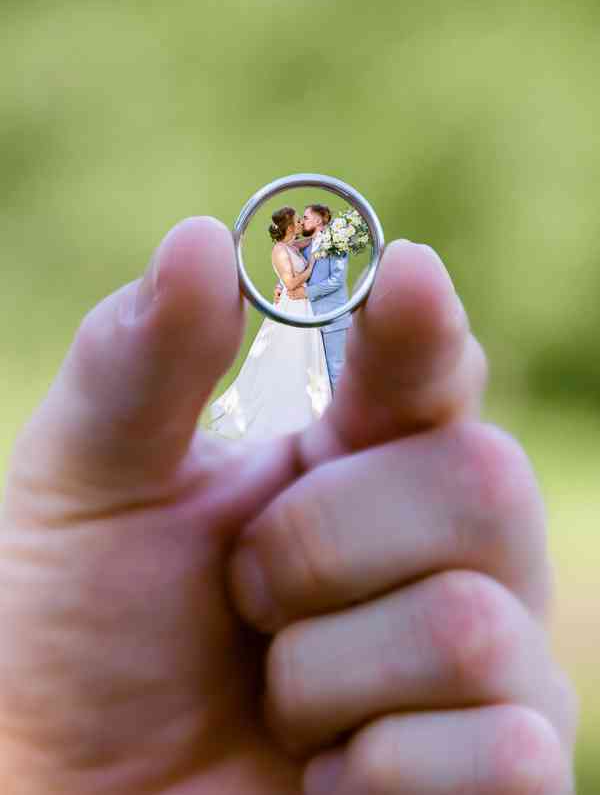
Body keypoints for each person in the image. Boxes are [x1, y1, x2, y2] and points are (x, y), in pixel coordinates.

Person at [0, 216, 577, 795]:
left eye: (316, 223)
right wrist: (39, 765)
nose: (310, 228)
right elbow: (297, 284)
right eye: (305, 223)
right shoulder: (285, 258)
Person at [206, 206, 332, 439]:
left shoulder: (292, 246)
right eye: (297, 221)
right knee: (287, 354)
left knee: (304, 354)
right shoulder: (279, 251)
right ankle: (284, 410)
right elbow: (291, 283)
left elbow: (311, 243)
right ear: (290, 226)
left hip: (304, 308)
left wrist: (323, 235)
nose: (300, 223)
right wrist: (312, 266)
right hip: (292, 306)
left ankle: (311, 404)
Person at [276, 203, 351, 392]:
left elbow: (337, 281)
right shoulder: (306, 245)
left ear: (318, 220)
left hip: (332, 317)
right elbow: (293, 269)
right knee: (315, 377)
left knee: (336, 372)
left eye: (306, 218)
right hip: (309, 320)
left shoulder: (336, 242)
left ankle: (340, 419)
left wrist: (306, 293)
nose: (302, 221)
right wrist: (280, 287)